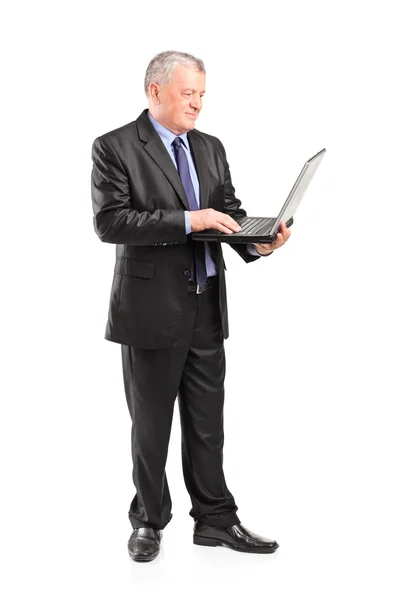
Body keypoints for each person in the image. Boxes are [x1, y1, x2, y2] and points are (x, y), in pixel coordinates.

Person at [91, 50, 291, 562]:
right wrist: (189, 220)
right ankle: (149, 522)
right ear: (155, 92)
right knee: (152, 426)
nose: (197, 103)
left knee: (207, 424)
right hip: (150, 310)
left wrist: (257, 242)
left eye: (202, 93)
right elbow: (111, 222)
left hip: (206, 307)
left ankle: (216, 521)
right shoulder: (115, 147)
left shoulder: (210, 146)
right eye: (188, 93)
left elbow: (227, 211)